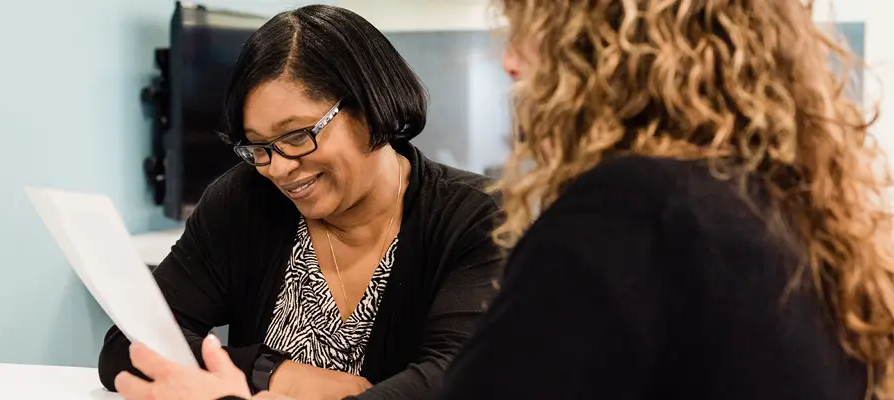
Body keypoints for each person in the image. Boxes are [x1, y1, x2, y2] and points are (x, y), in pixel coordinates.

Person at [113, 0, 894, 399]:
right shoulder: (759, 202)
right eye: (258, 148)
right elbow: (135, 342)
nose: (513, 64)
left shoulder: (624, 216)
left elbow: (453, 389)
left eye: (530, 31)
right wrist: (291, 374)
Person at [435, 0, 894, 399]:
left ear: (608, 44)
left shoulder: (634, 209)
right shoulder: (788, 205)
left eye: (531, 28)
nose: (510, 62)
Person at [98, 5, 502, 400]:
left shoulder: (474, 215)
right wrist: (273, 372)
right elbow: (128, 344)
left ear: (370, 105)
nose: (277, 169)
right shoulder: (243, 201)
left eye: (296, 136)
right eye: (258, 146)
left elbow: (458, 376)